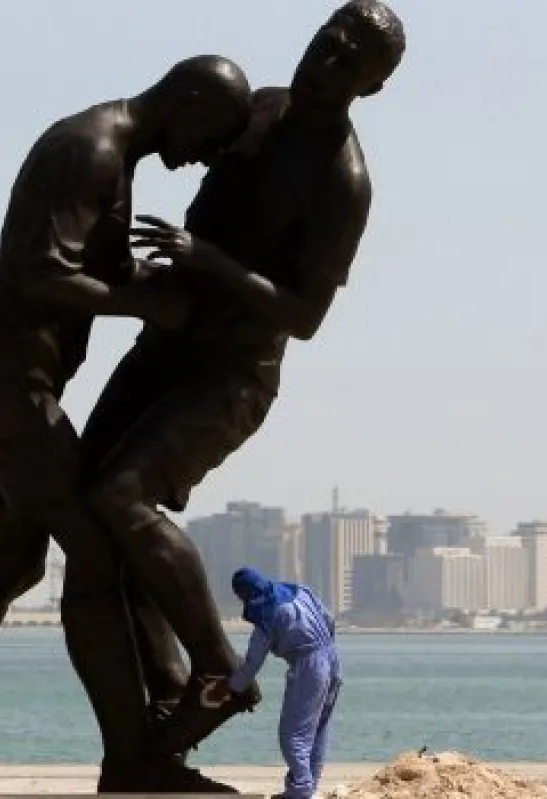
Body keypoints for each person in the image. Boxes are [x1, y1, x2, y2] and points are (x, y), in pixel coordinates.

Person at [0, 55, 254, 796]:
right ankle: (132, 761)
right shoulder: (91, 148)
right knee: (96, 545)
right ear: (190, 99)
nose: (206, 155)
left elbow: (94, 269)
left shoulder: (115, 156)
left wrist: (190, 281)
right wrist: (146, 303)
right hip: (2, 385)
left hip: (0, 381)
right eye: (213, 135)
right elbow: (41, 271)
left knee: (16, 559)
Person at [78, 0, 406, 757]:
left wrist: (209, 260)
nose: (326, 61)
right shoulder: (259, 107)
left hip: (231, 376)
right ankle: (161, 722)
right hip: (165, 345)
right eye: (327, 41)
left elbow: (305, 314)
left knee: (119, 496)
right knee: (90, 515)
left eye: (349, 61)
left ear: (371, 87)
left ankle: (218, 668)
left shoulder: (342, 181)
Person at [210, 567, 342, 799]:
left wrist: (229, 687)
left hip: (309, 666)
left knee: (292, 735)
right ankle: (308, 787)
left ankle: (301, 790)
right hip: (332, 658)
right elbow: (329, 620)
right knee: (319, 729)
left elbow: (252, 662)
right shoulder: (300, 591)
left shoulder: (267, 614)